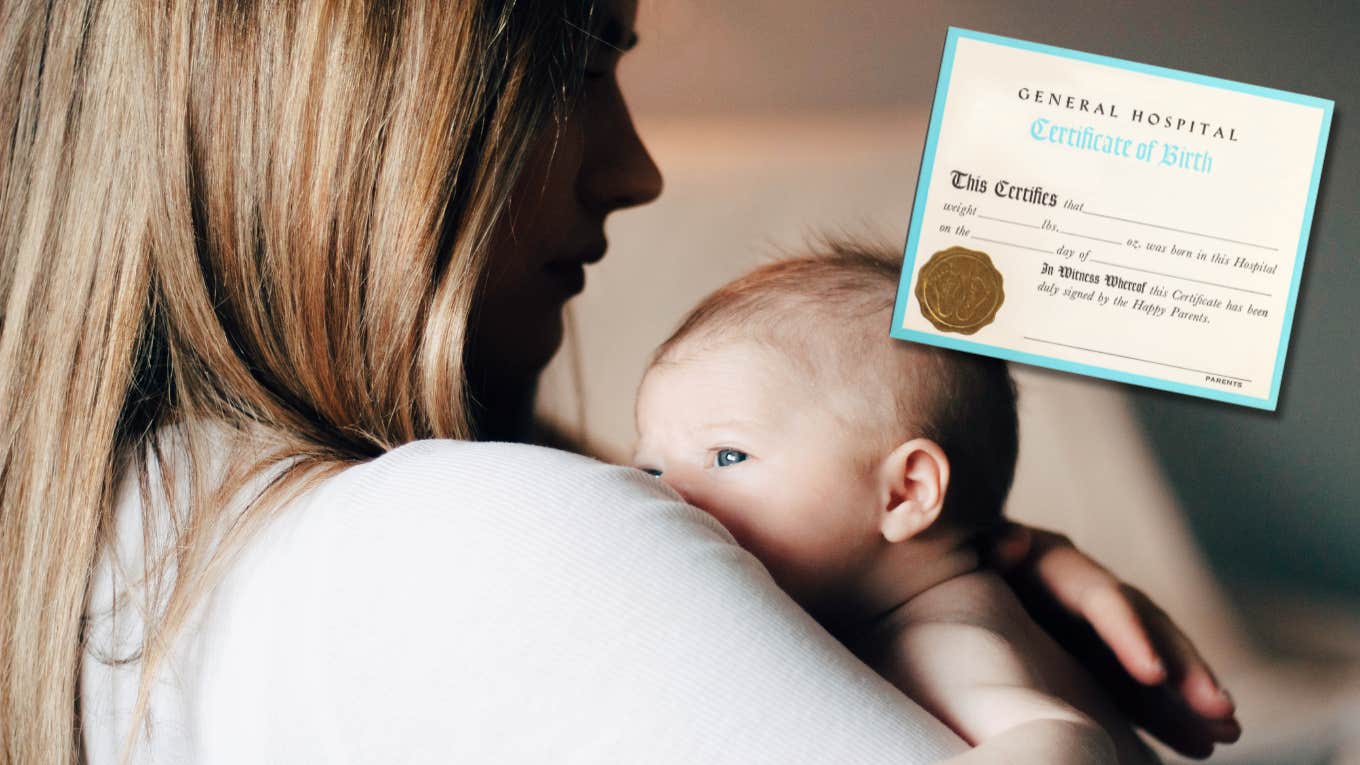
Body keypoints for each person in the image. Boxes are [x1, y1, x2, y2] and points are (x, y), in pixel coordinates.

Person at [0, 1, 1239, 763]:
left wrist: (956, 566)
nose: (635, 170)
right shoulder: (483, 539)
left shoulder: (95, 555)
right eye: (583, 58)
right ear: (343, 105)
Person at [632, 243, 1163, 763]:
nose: (666, 491)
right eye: (650, 469)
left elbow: (1065, 740)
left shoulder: (937, 638)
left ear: (905, 492)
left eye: (728, 456)